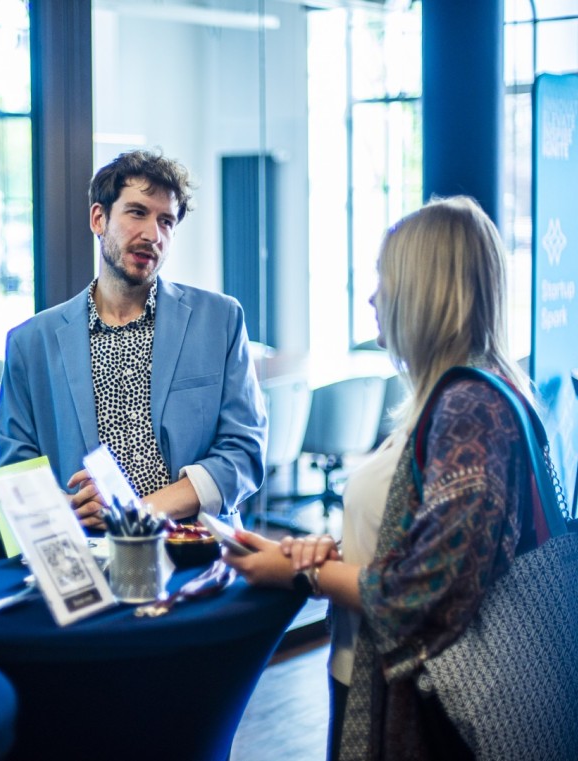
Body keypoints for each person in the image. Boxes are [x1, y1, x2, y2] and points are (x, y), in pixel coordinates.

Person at [226, 196, 541, 760]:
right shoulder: (453, 399)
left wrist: (303, 576)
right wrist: (328, 554)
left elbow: (419, 593)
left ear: (425, 291)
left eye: (385, 278)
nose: (373, 296)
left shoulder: (470, 410)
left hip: (426, 713)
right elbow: (426, 543)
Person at [0, 150, 266, 529]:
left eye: (166, 221)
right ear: (99, 218)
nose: (153, 235)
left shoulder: (219, 320)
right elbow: (15, 476)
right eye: (137, 212)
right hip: (87, 552)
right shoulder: (31, 343)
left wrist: (135, 512)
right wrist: (69, 509)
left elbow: (244, 452)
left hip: (195, 546)